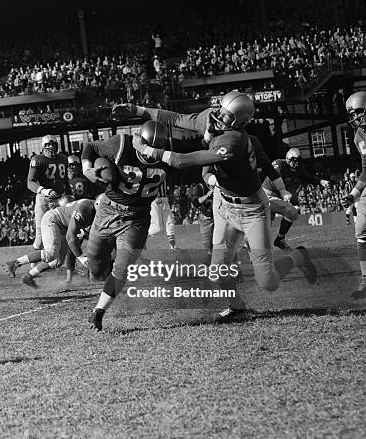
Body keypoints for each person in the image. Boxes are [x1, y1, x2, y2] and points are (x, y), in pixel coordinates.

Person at [119, 92, 318, 322]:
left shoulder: (233, 140)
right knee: (216, 272)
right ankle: (238, 307)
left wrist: (147, 150)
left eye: (227, 115)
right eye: (221, 110)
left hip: (251, 210)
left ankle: (299, 257)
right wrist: (135, 110)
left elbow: (184, 161)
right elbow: (172, 118)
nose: (220, 116)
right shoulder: (211, 118)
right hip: (224, 204)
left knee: (268, 282)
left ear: (240, 122)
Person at [83, 119, 232, 331]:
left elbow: (197, 148)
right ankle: (105, 271)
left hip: (137, 217)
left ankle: (98, 312)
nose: (148, 154)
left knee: (123, 268)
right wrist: (88, 168)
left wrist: (208, 135)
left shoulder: (170, 149)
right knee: (95, 267)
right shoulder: (121, 143)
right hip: (109, 209)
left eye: (155, 149)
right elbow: (90, 147)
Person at [4, 197, 95, 287]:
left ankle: (29, 276)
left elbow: (71, 248)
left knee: (58, 262)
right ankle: (15, 263)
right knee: (50, 254)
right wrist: (81, 257)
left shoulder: (91, 208)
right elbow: (71, 239)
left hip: (62, 226)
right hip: (53, 220)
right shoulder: (85, 209)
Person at [262, 148, 330, 249]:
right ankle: (252, 248)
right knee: (264, 227)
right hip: (268, 195)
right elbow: (273, 178)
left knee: (292, 212)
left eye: (298, 161)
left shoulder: (299, 169)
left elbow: (308, 177)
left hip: (279, 196)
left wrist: (321, 181)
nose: (296, 164)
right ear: (288, 159)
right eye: (294, 161)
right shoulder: (279, 165)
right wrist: (283, 192)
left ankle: (279, 239)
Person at [27, 135, 70, 271]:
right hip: (44, 199)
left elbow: (65, 182)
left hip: (60, 199)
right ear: (43, 147)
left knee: (64, 233)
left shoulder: (63, 159)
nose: (51, 147)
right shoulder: (37, 160)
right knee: (40, 236)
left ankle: (61, 264)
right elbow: (30, 182)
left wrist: (70, 196)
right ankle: (32, 267)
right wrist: (45, 191)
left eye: (53, 144)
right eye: (48, 145)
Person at [340, 90, 366, 300]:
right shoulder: (359, 136)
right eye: (352, 113)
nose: (355, 117)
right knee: (362, 229)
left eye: (359, 111)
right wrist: (355, 192)